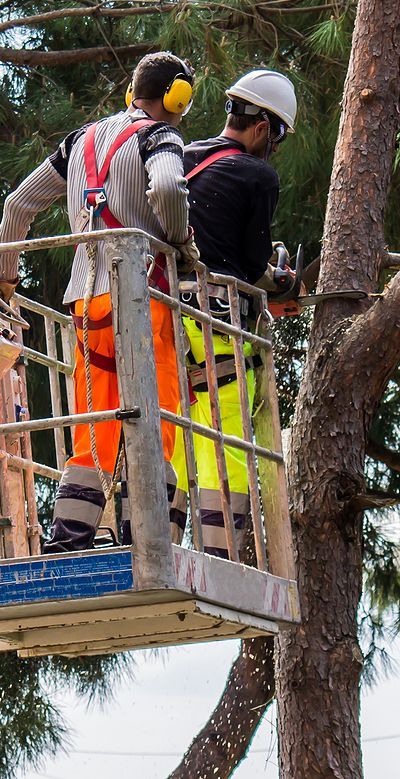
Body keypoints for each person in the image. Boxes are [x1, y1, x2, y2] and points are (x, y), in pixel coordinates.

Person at [0, 52, 201, 552]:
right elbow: (168, 185)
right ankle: (146, 536)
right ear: (176, 98)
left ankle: (72, 535)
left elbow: (17, 206)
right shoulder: (159, 136)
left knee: (96, 422)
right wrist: (181, 240)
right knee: (158, 411)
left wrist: (5, 279)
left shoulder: (79, 140)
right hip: (145, 296)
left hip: (86, 301)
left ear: (132, 91)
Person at [172, 68, 298, 559]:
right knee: (228, 433)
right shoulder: (258, 175)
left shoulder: (182, 157)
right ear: (265, 127)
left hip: (166, 314)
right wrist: (282, 281)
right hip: (217, 320)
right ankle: (220, 553)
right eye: (278, 138)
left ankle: (158, 535)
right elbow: (249, 263)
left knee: (177, 429)